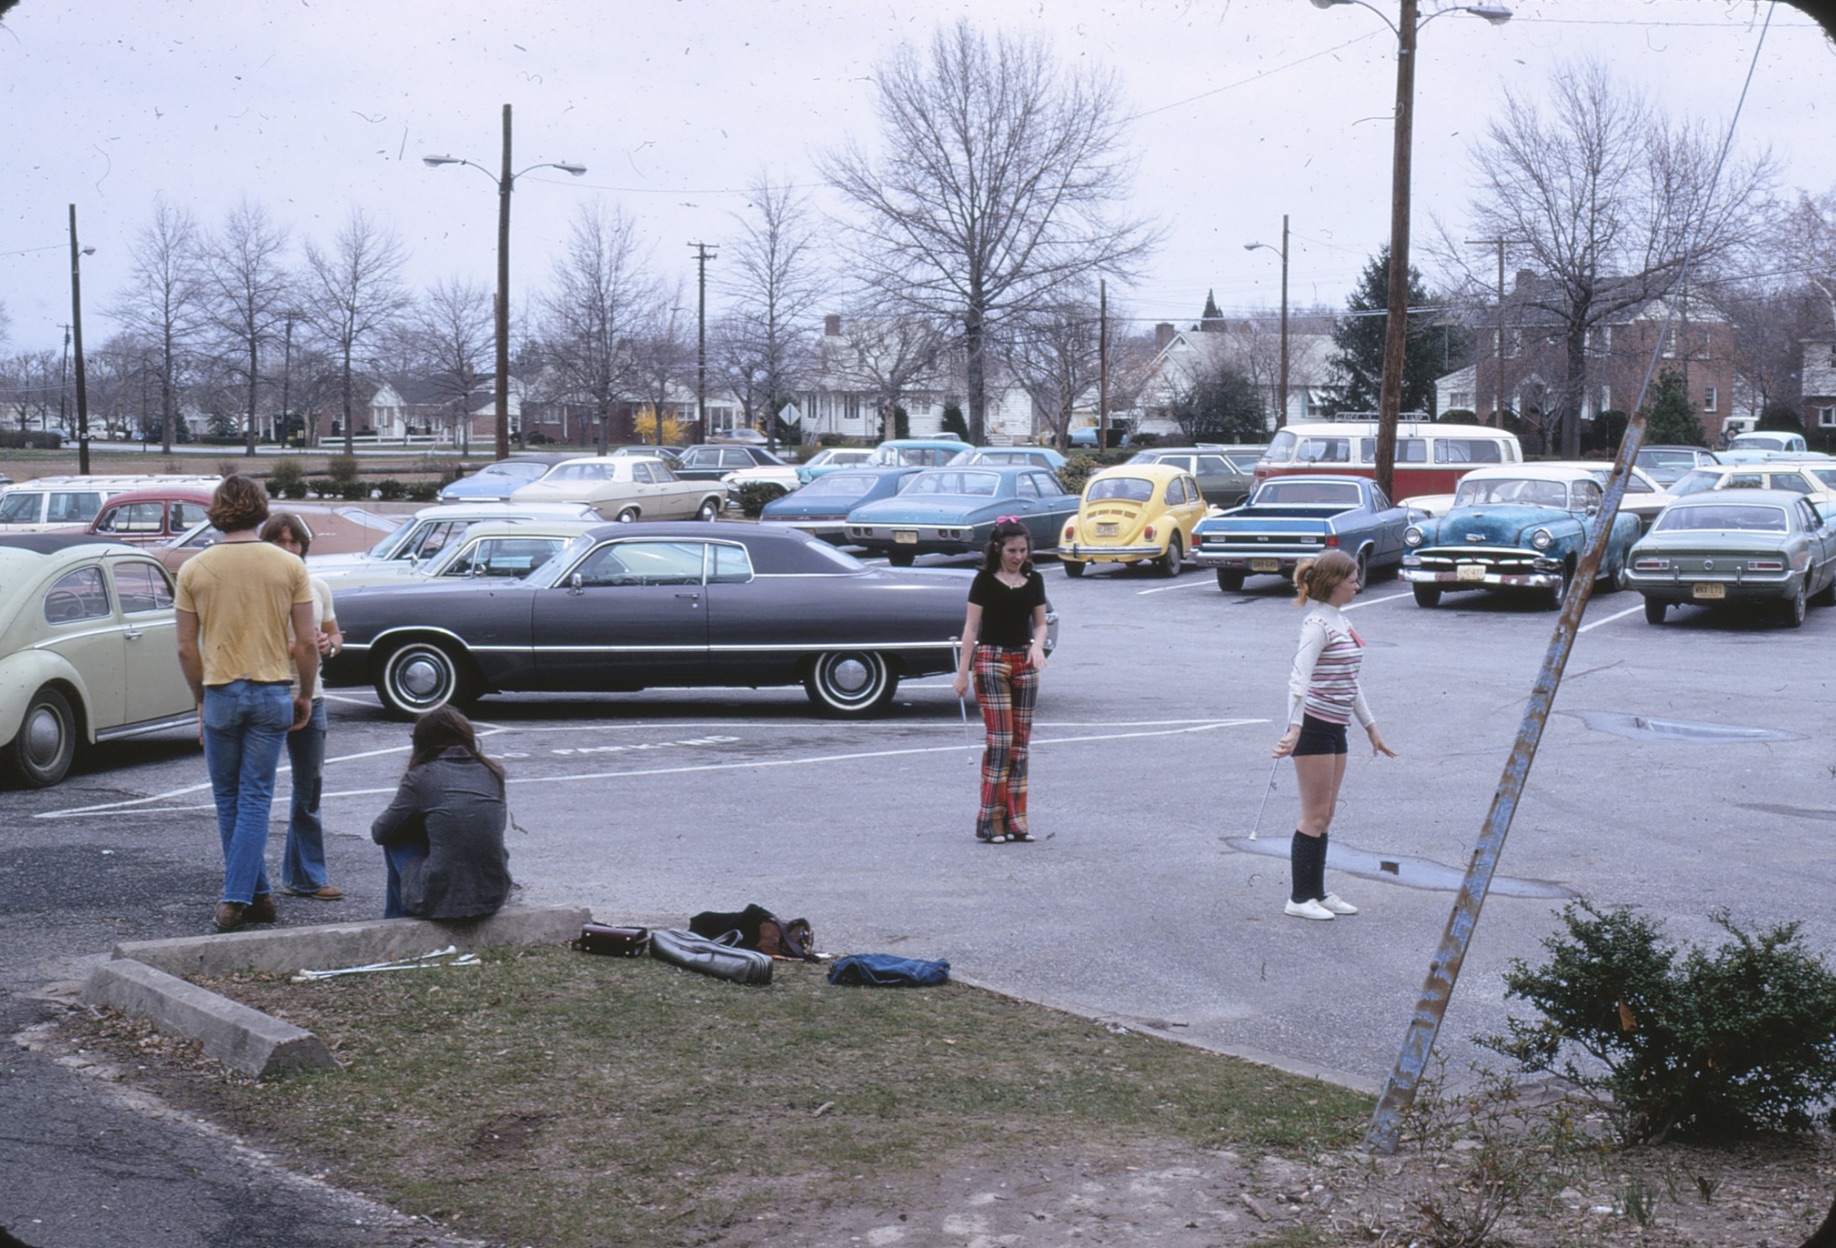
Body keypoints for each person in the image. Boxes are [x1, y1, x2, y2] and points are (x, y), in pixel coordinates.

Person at [176, 475, 318, 933]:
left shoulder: (194, 568)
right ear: (261, 509)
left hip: (220, 689)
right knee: (256, 796)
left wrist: (200, 697)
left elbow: (185, 649)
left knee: (228, 798)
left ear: (217, 510)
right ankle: (252, 895)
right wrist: (305, 692)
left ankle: (237, 898)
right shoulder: (288, 566)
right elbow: (307, 643)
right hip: (273, 687)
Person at [1272, 549, 1395, 920]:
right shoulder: (1316, 625)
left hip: (1336, 727)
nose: (1357, 585)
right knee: (1313, 816)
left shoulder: (1340, 621)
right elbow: (1299, 678)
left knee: (1325, 815)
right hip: (1313, 729)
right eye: (1352, 579)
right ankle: (1298, 898)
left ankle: (1318, 893)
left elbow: (1349, 682)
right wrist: (1294, 729)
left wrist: (1371, 728)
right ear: (1333, 583)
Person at [260, 512, 344, 901]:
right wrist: (298, 647)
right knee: (256, 790)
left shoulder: (317, 586)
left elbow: (332, 633)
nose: (289, 550)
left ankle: (306, 876)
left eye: (295, 543)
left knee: (308, 790)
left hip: (314, 695)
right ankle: (254, 883)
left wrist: (329, 644)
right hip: (270, 693)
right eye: (281, 542)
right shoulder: (259, 589)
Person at [951, 516, 1050, 843]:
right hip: (991, 661)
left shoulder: (1034, 580)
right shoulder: (984, 581)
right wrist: (962, 672)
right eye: (1012, 550)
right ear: (998, 549)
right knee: (1001, 742)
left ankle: (1016, 820)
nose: (1018, 556)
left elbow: (1040, 624)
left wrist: (1037, 646)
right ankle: (990, 821)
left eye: (1022, 550)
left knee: (1020, 744)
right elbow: (971, 629)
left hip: (1024, 662)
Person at [371, 707, 513, 920]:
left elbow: (379, 832)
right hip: (493, 895)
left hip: (440, 901)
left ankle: (395, 920)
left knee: (395, 836)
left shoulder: (421, 777)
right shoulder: (492, 772)